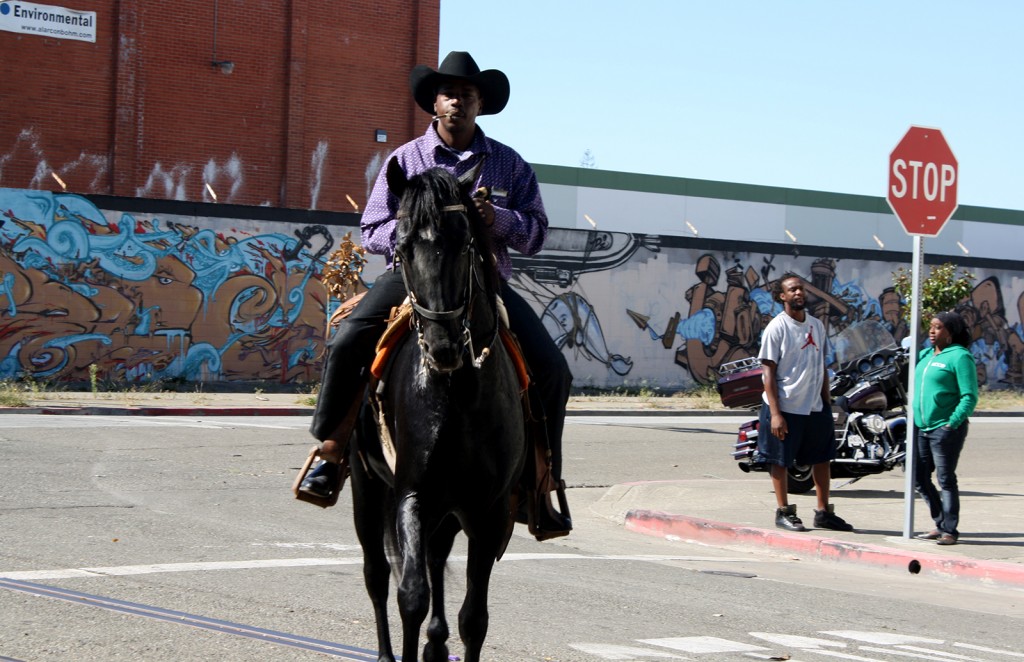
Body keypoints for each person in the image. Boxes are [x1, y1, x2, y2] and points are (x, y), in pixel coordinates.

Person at [301, 51, 573, 537]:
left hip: (486, 284)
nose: (457, 103)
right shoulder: (405, 160)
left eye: (467, 95)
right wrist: (415, 229)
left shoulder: (509, 165)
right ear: (434, 103)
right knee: (348, 342)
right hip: (412, 279)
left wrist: (497, 219)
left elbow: (535, 234)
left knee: (554, 369)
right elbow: (372, 229)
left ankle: (540, 480)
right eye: (449, 94)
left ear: (480, 104)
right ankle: (330, 451)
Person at [757, 273, 853, 532]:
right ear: (782, 297)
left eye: (800, 289)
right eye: (792, 290)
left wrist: (827, 401)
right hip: (786, 406)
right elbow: (768, 372)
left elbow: (820, 366)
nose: (798, 293)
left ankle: (823, 512)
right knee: (781, 460)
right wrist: (775, 414)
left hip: (814, 406)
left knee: (822, 458)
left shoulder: (816, 326)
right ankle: (783, 512)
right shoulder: (777, 327)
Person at [912, 311, 978, 546]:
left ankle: (950, 530)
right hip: (922, 427)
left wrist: (953, 422)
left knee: (945, 479)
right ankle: (940, 523)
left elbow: (969, 396)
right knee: (919, 477)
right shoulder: (924, 355)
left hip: (945, 428)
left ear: (950, 332)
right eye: (931, 326)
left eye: (938, 327)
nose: (932, 331)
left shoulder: (960, 357)